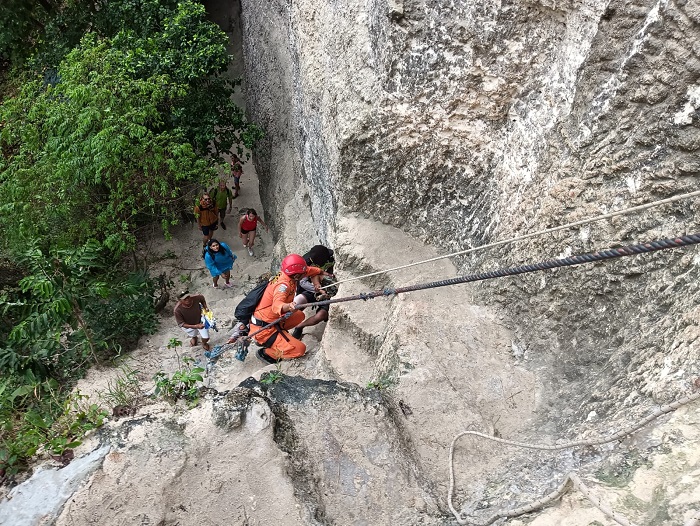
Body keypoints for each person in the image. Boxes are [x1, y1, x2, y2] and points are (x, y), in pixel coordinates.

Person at [250, 254, 329, 363]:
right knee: (299, 350)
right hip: (264, 329)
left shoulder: (288, 274)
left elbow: (309, 271)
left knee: (299, 316)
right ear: (296, 276)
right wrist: (288, 306)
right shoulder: (283, 286)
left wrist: (319, 273)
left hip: (269, 320)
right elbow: (277, 305)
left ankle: (278, 338)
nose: (305, 273)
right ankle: (267, 353)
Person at [291, 245, 336, 339]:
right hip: (311, 288)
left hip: (327, 292)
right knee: (297, 303)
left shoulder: (329, 258)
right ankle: (285, 323)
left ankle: (300, 326)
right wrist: (318, 288)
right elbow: (304, 282)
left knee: (321, 315)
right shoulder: (305, 263)